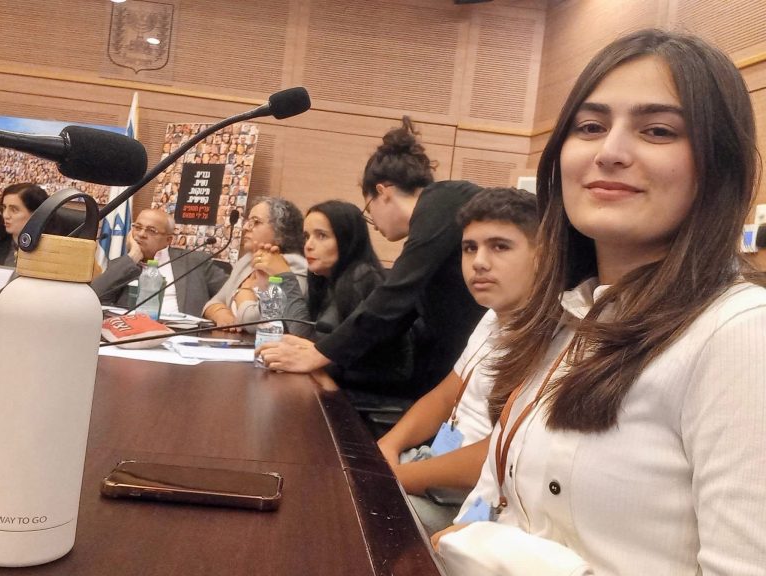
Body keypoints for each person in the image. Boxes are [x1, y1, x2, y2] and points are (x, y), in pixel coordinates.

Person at [432, 29, 766, 576]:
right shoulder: (566, 316)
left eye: (657, 131)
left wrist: (500, 554)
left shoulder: (741, 334)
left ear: (718, 164)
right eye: (590, 127)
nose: (609, 152)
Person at [257, 118, 485, 397]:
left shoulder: (442, 201)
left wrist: (318, 354)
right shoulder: (432, 223)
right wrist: (322, 351)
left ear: (382, 192)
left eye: (368, 209)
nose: (373, 224)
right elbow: (397, 312)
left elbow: (393, 298)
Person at [377, 187, 538, 534]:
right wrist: (387, 446)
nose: (478, 261)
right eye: (469, 248)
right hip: (430, 467)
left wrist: (395, 477)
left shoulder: (550, 337)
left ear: (543, 256)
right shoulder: (493, 315)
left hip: (472, 501)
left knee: (346, 512)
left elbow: (504, 451)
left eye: (499, 246)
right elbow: (445, 396)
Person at [254, 200, 413, 394]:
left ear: (347, 240)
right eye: (306, 236)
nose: (308, 245)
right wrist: (268, 286)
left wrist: (286, 277)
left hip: (363, 398)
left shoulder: (361, 277)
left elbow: (307, 348)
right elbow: (285, 336)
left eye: (321, 236)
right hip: (331, 387)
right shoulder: (323, 280)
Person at [91, 209, 227, 317]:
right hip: (132, 333)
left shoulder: (194, 262)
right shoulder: (123, 265)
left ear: (168, 240)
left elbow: (230, 293)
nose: (141, 234)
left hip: (183, 334)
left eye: (151, 231)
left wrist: (217, 311)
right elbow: (94, 298)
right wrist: (133, 256)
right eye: (137, 227)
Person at [202, 196, 306, 332]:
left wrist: (243, 294)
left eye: (256, 222)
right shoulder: (246, 261)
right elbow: (213, 302)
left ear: (281, 232)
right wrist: (220, 313)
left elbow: (260, 322)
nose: (245, 227)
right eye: (247, 221)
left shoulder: (294, 266)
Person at [0, 183, 49, 267]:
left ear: (35, 214)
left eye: (14, 210)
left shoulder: (51, 251)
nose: (5, 215)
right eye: (4, 208)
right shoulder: (1, 242)